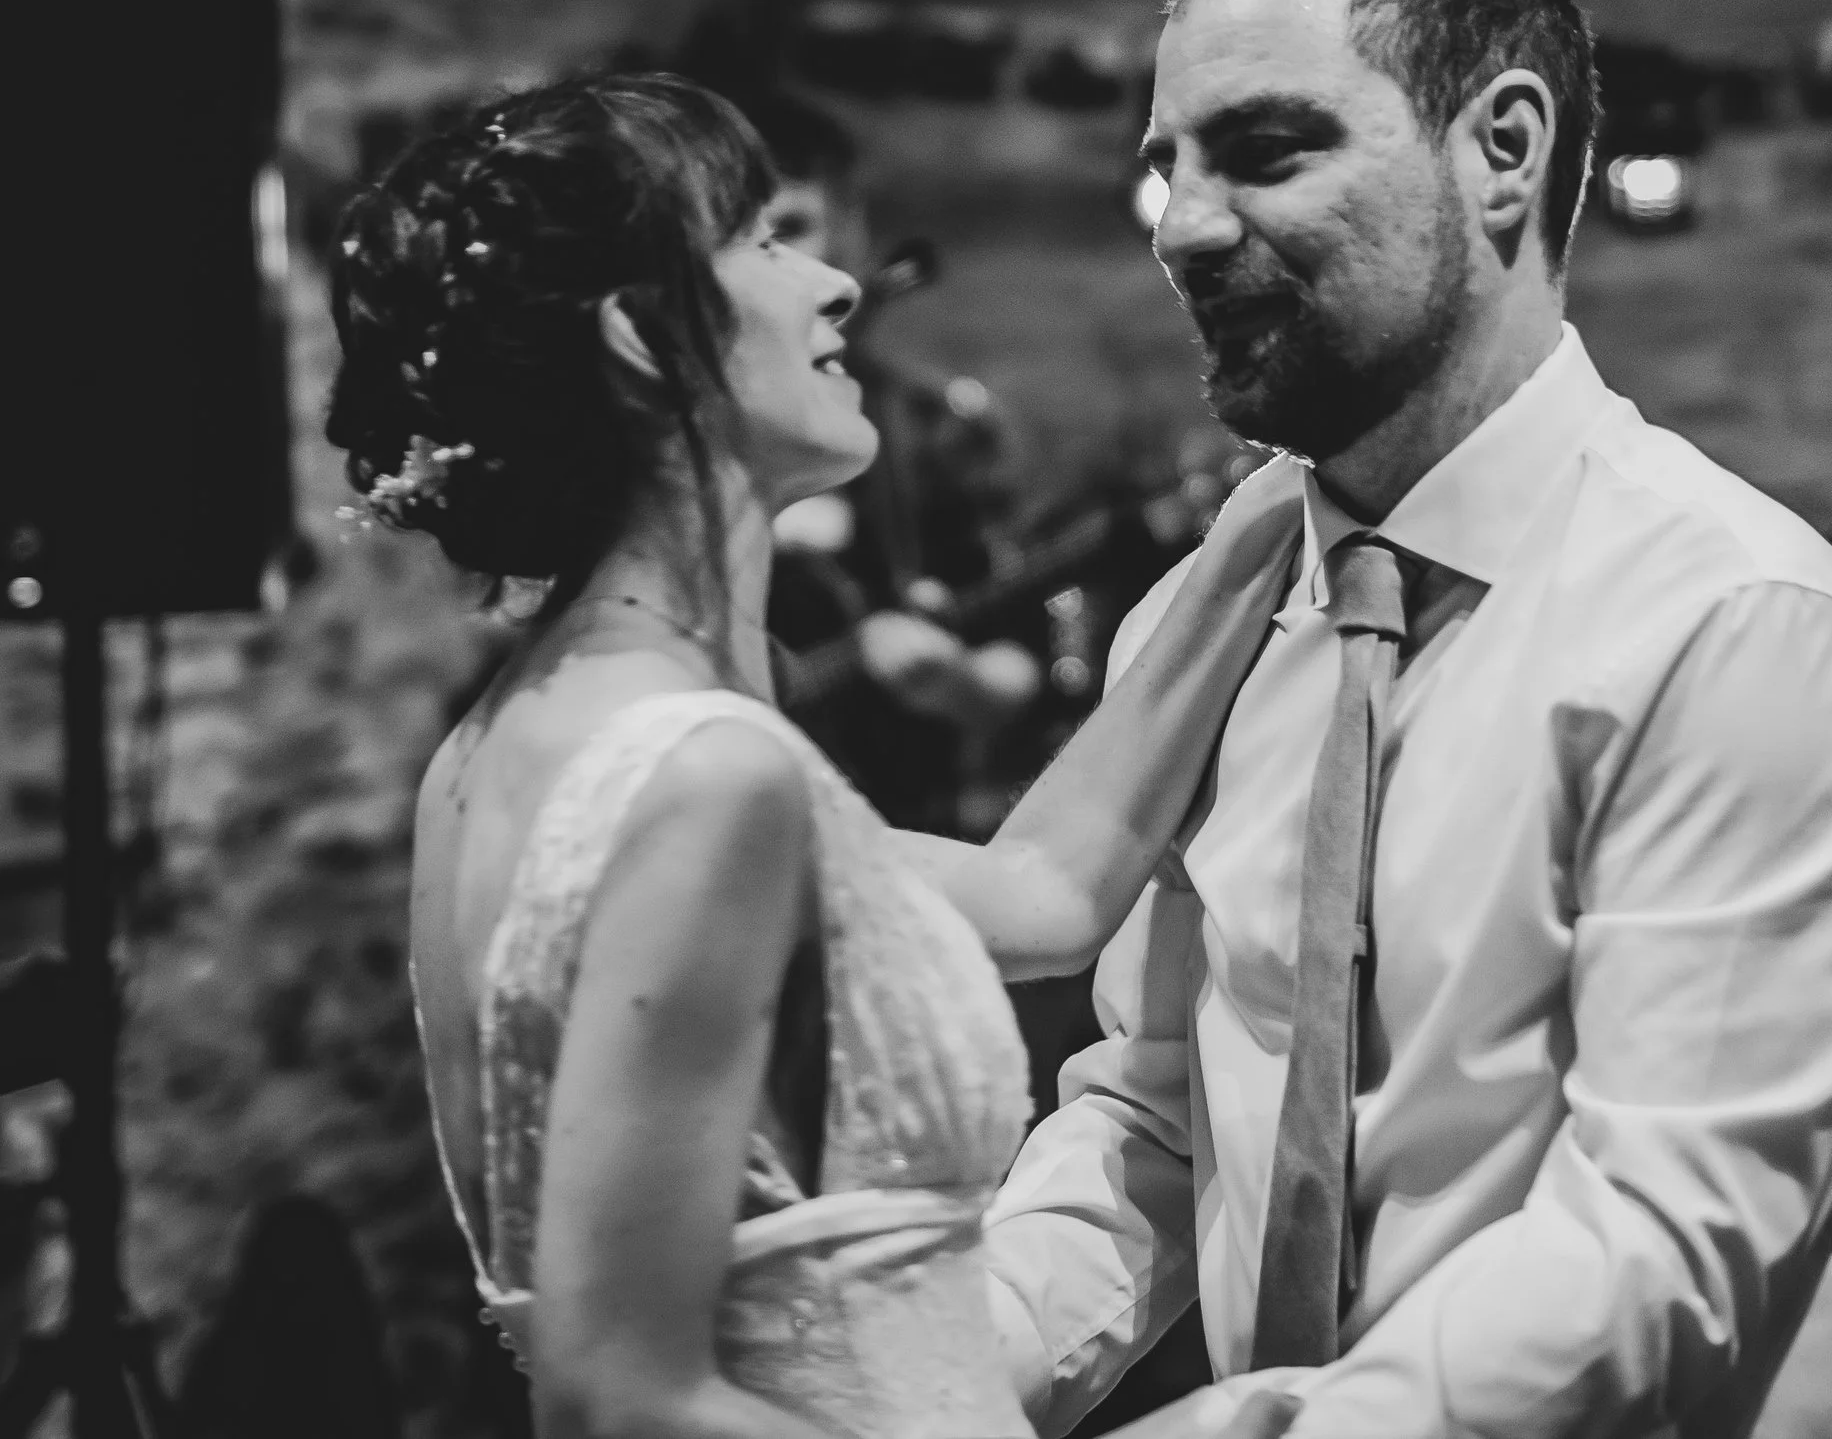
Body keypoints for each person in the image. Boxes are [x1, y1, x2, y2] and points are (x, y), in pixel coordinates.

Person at [982, 0, 1832, 1439]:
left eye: (1265, 150)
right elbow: (1162, 1103)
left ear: (1503, 153)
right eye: (1166, 169)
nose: (1183, 230)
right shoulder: (1205, 624)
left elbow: (1658, 1246)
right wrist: (928, 1387)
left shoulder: (1733, 624)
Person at [326, 72, 1304, 1439]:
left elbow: (1047, 891)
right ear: (644, 340)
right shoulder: (700, 774)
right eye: (764, 243)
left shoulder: (516, 742)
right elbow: (625, 1399)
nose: (838, 284)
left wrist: (1267, 519)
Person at [737, 88, 1047, 837]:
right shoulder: (679, 426)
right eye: (742, 239)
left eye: (793, 228)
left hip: (898, 826)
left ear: (852, 233)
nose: (776, 266)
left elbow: (1022, 650)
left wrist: (956, 685)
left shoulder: (931, 424)